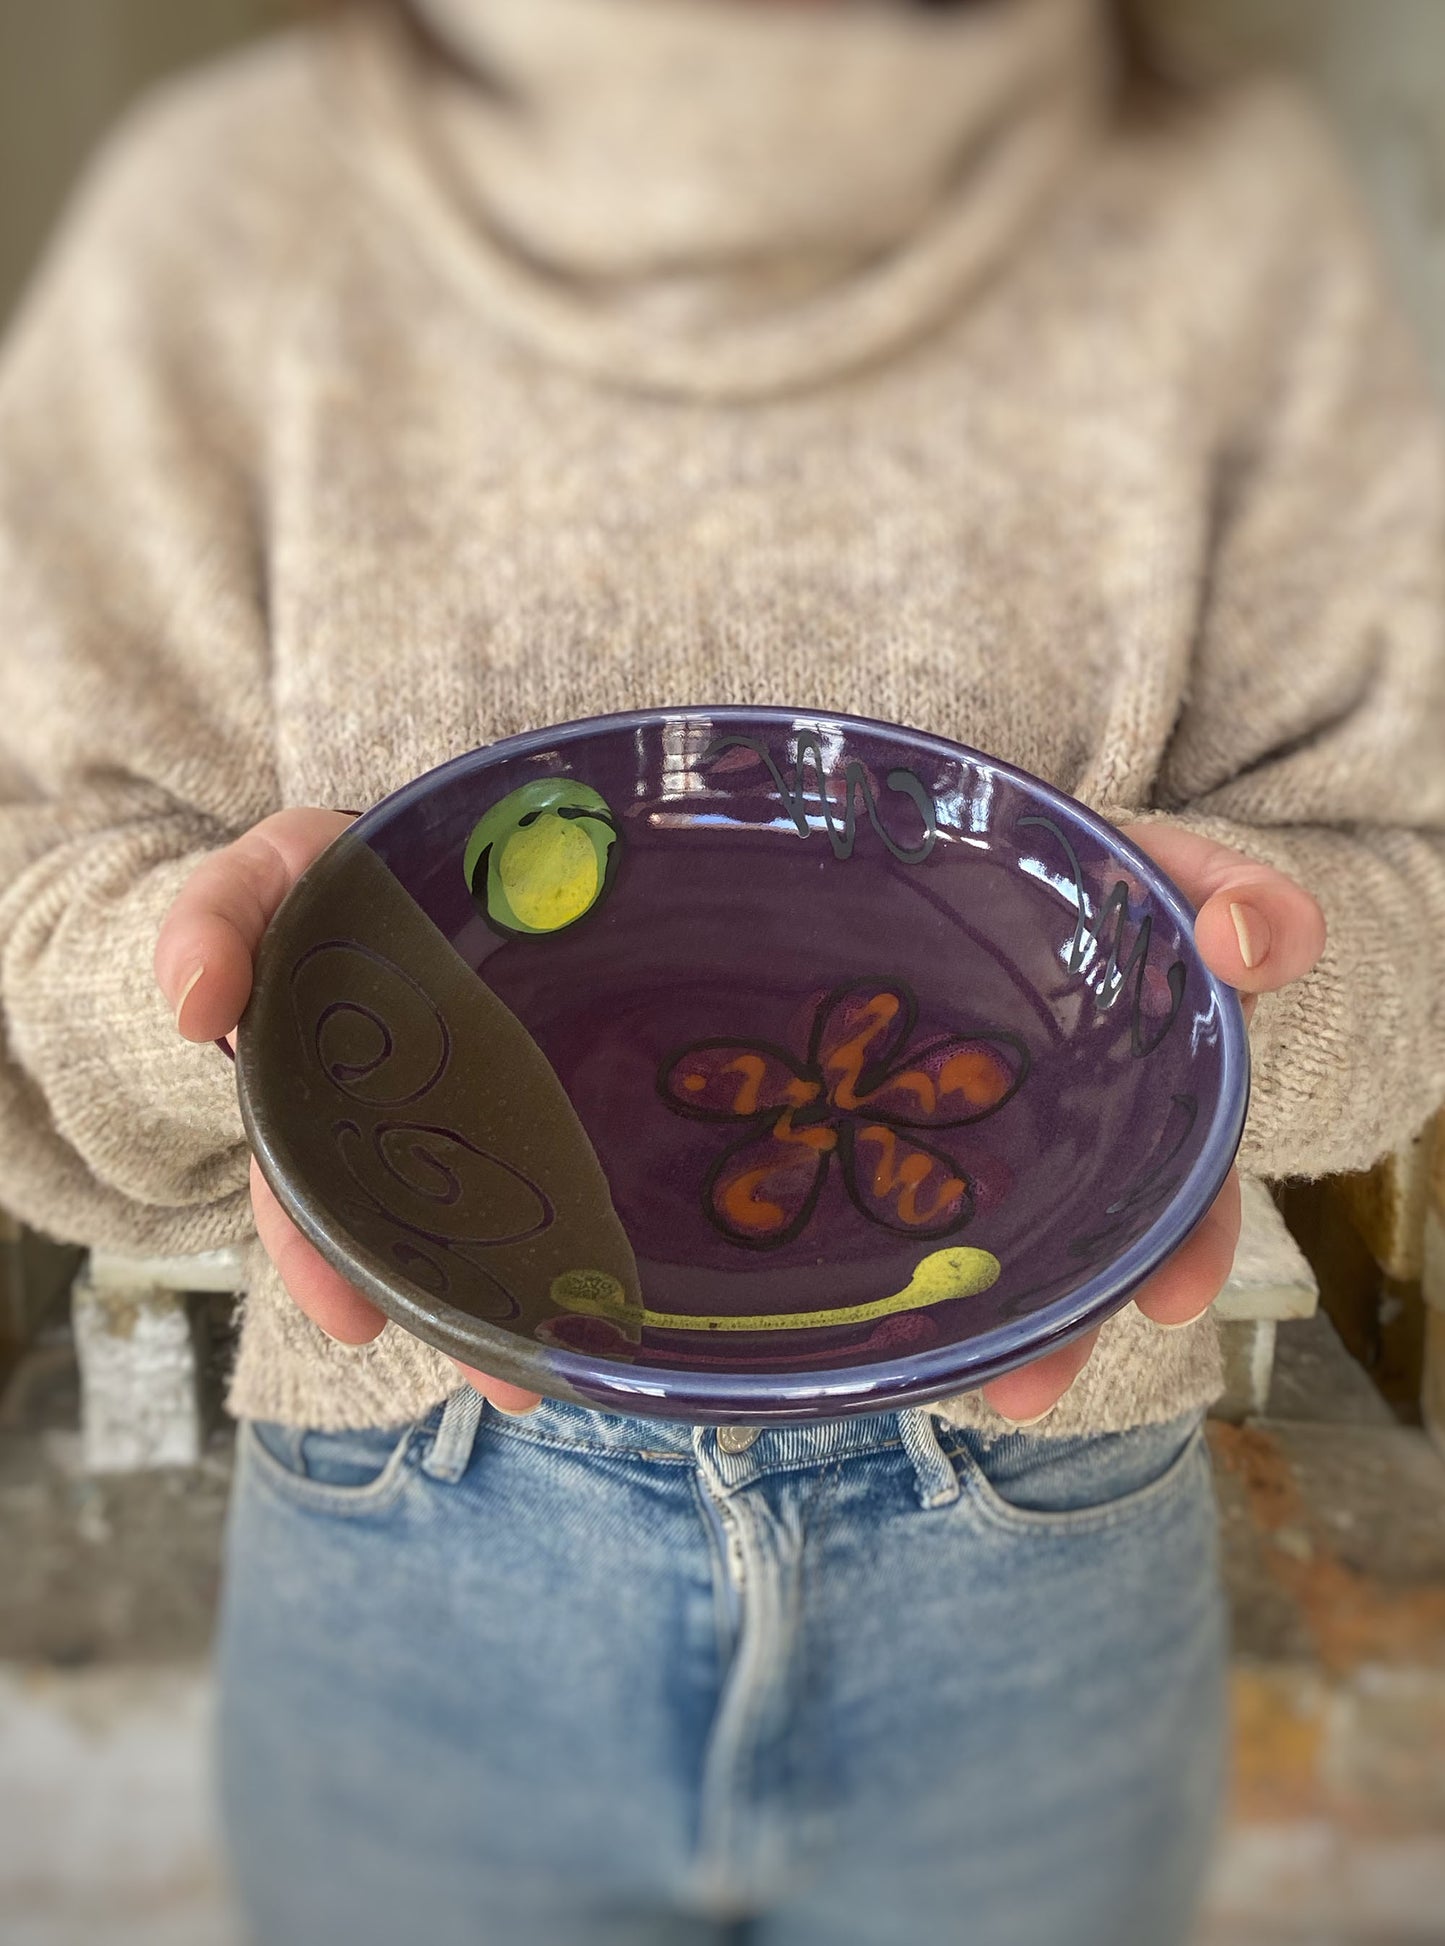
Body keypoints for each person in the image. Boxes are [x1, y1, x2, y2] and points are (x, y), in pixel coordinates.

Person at [0, 0, 1441, 1940]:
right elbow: (37, 904)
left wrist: (1229, 985)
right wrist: (228, 1000)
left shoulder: (1224, 230)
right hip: (415, 1535)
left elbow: (1407, 907)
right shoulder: (229, 224)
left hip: (1037, 1545)